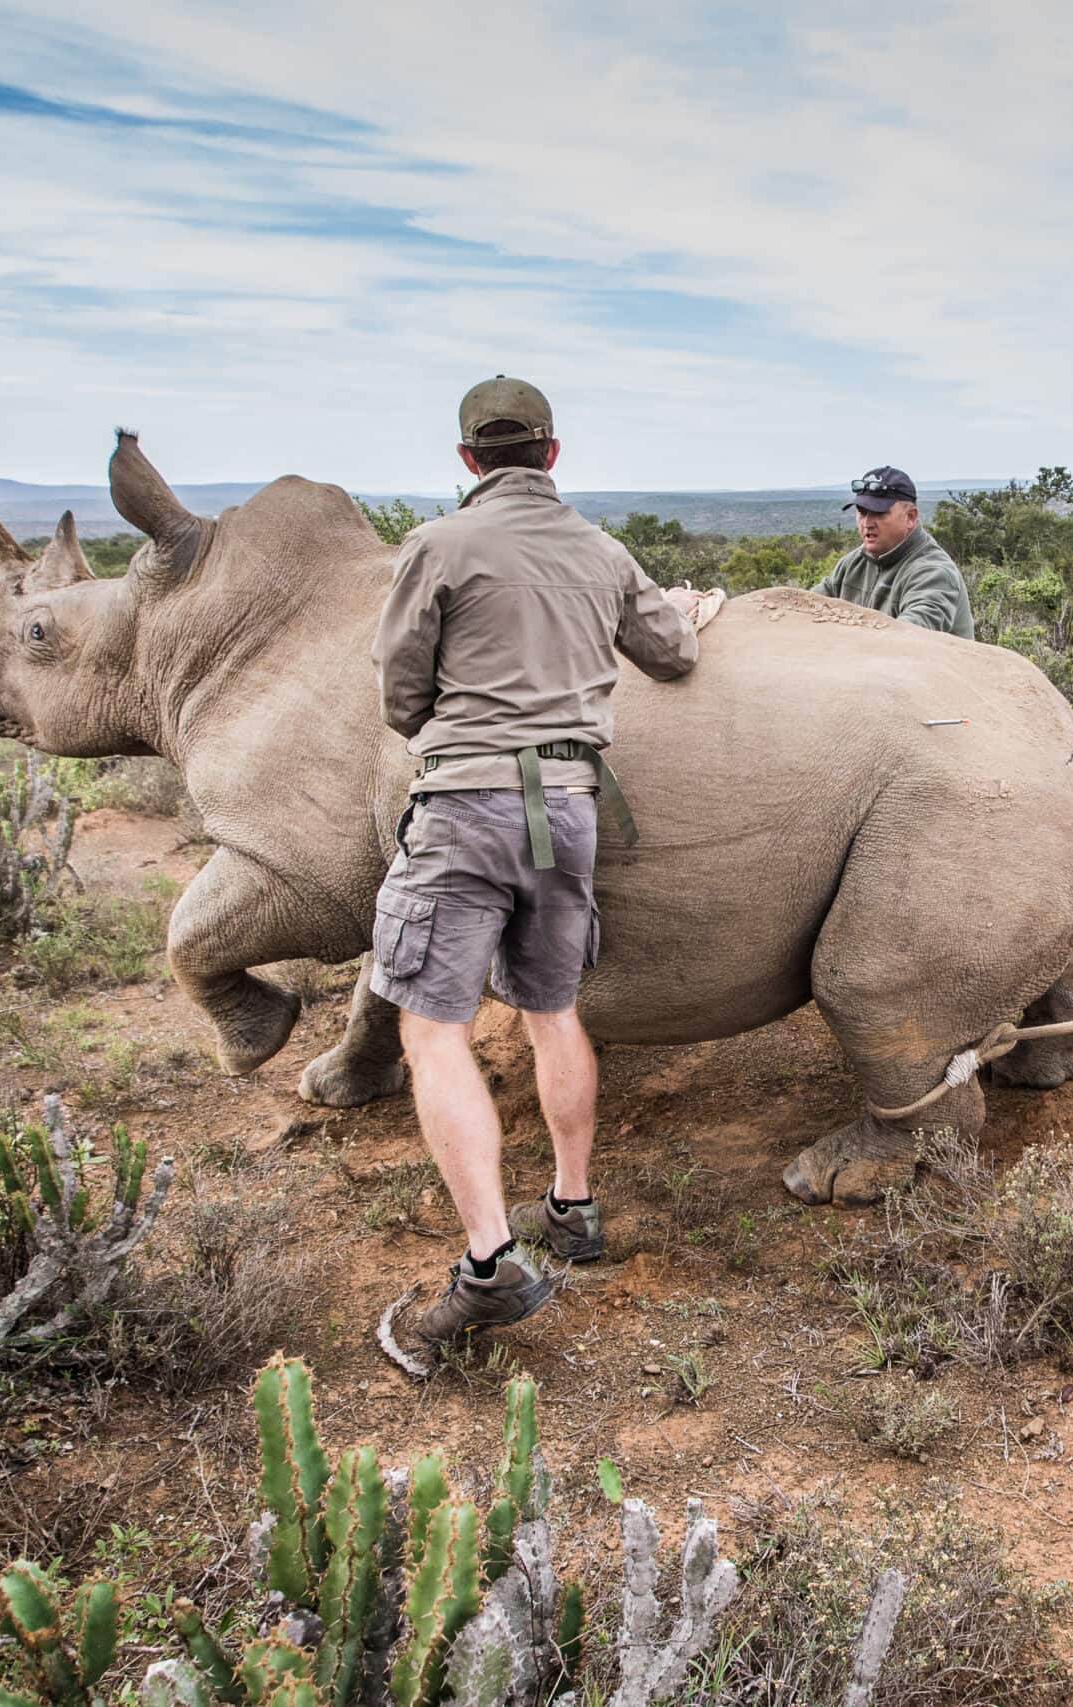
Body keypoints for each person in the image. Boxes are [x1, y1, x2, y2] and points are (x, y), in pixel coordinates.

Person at [371, 375, 703, 1346]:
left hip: (466, 804)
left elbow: (400, 697)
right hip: (568, 802)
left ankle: (486, 1266)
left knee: (435, 1032)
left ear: (469, 460)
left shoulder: (435, 546)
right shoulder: (602, 551)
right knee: (551, 1011)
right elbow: (674, 654)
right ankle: (573, 1206)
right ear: (552, 455)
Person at [814, 466, 974, 635]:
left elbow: (908, 638)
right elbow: (804, 607)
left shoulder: (933, 573)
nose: (867, 523)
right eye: (862, 512)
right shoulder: (851, 564)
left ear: (910, 517)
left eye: (879, 513)